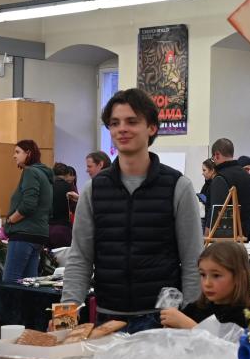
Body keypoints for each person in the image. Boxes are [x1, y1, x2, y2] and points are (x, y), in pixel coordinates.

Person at [62, 89, 203, 332]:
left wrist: (189, 318)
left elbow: (193, 260)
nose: (122, 129)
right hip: (108, 320)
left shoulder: (178, 187)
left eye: (132, 121)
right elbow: (80, 258)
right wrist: (66, 315)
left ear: (152, 128)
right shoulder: (94, 190)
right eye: (115, 123)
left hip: (162, 321)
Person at [160, 241, 250, 330]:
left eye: (216, 275)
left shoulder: (247, 317)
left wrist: (188, 325)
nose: (207, 283)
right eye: (203, 275)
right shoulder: (194, 309)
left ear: (239, 277)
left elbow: (224, 341)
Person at [1, 139, 54, 283]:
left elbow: (28, 205)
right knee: (29, 284)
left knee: (10, 282)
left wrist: (10, 220)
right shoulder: (44, 174)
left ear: (28, 153)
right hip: (38, 234)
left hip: (24, 234)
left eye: (17, 152)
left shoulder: (30, 172)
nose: (14, 156)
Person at [205, 137, 250, 241]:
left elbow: (216, 213)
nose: (213, 161)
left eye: (213, 158)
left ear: (217, 155)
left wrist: (206, 237)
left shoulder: (220, 178)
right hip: (244, 235)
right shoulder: (246, 176)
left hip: (224, 238)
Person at [48, 163, 78, 249]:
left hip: (46, 228)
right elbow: (75, 207)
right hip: (62, 228)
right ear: (66, 174)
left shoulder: (47, 186)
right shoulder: (70, 187)